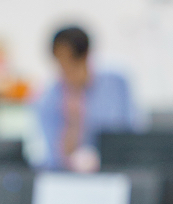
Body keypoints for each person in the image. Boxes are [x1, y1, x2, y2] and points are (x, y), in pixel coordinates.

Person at [35, 26, 138, 170]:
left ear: (87, 56)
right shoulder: (49, 100)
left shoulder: (117, 84)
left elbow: (133, 134)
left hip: (118, 169)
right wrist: (73, 123)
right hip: (69, 177)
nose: (67, 70)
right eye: (61, 63)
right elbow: (53, 159)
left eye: (72, 62)